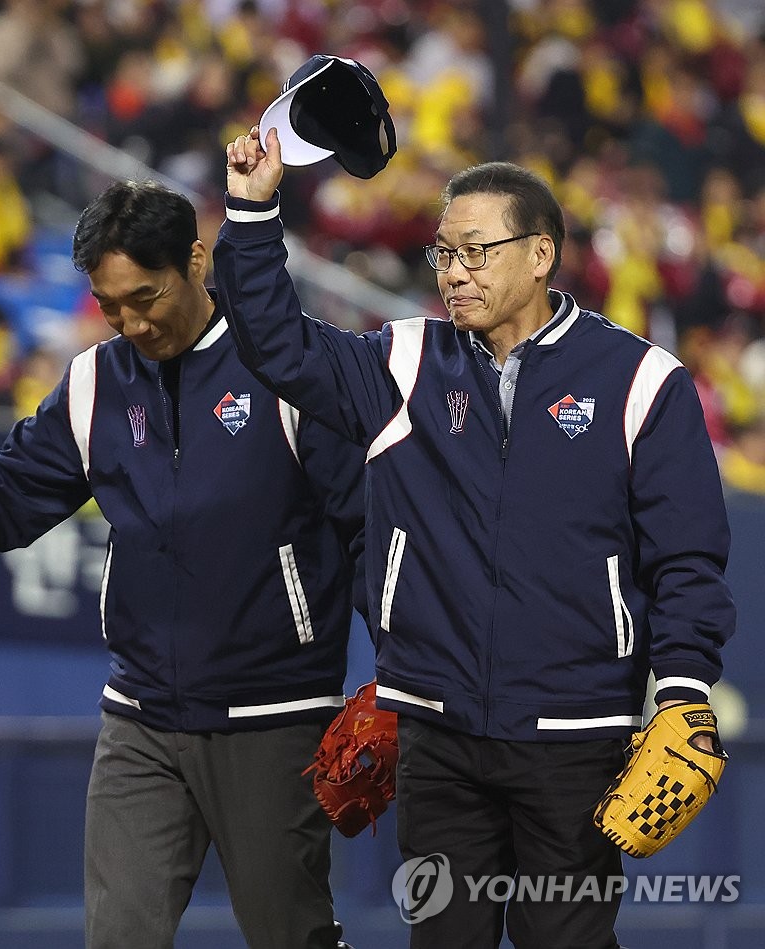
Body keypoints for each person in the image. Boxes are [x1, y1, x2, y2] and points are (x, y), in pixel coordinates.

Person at [0, 179, 369, 949]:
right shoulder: (96, 381)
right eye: (109, 305)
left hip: (274, 721)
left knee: (291, 935)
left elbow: (368, 531)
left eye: (146, 296)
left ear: (197, 260)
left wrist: (404, 678)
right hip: (140, 719)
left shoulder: (291, 371)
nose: (131, 322)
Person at [216, 127, 736, 948]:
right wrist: (251, 214)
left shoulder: (642, 381)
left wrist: (683, 689)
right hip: (436, 733)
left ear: (540, 254)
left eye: (475, 250)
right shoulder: (406, 363)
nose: (454, 271)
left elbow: (687, 560)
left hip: (576, 738)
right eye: (443, 253)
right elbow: (277, 343)